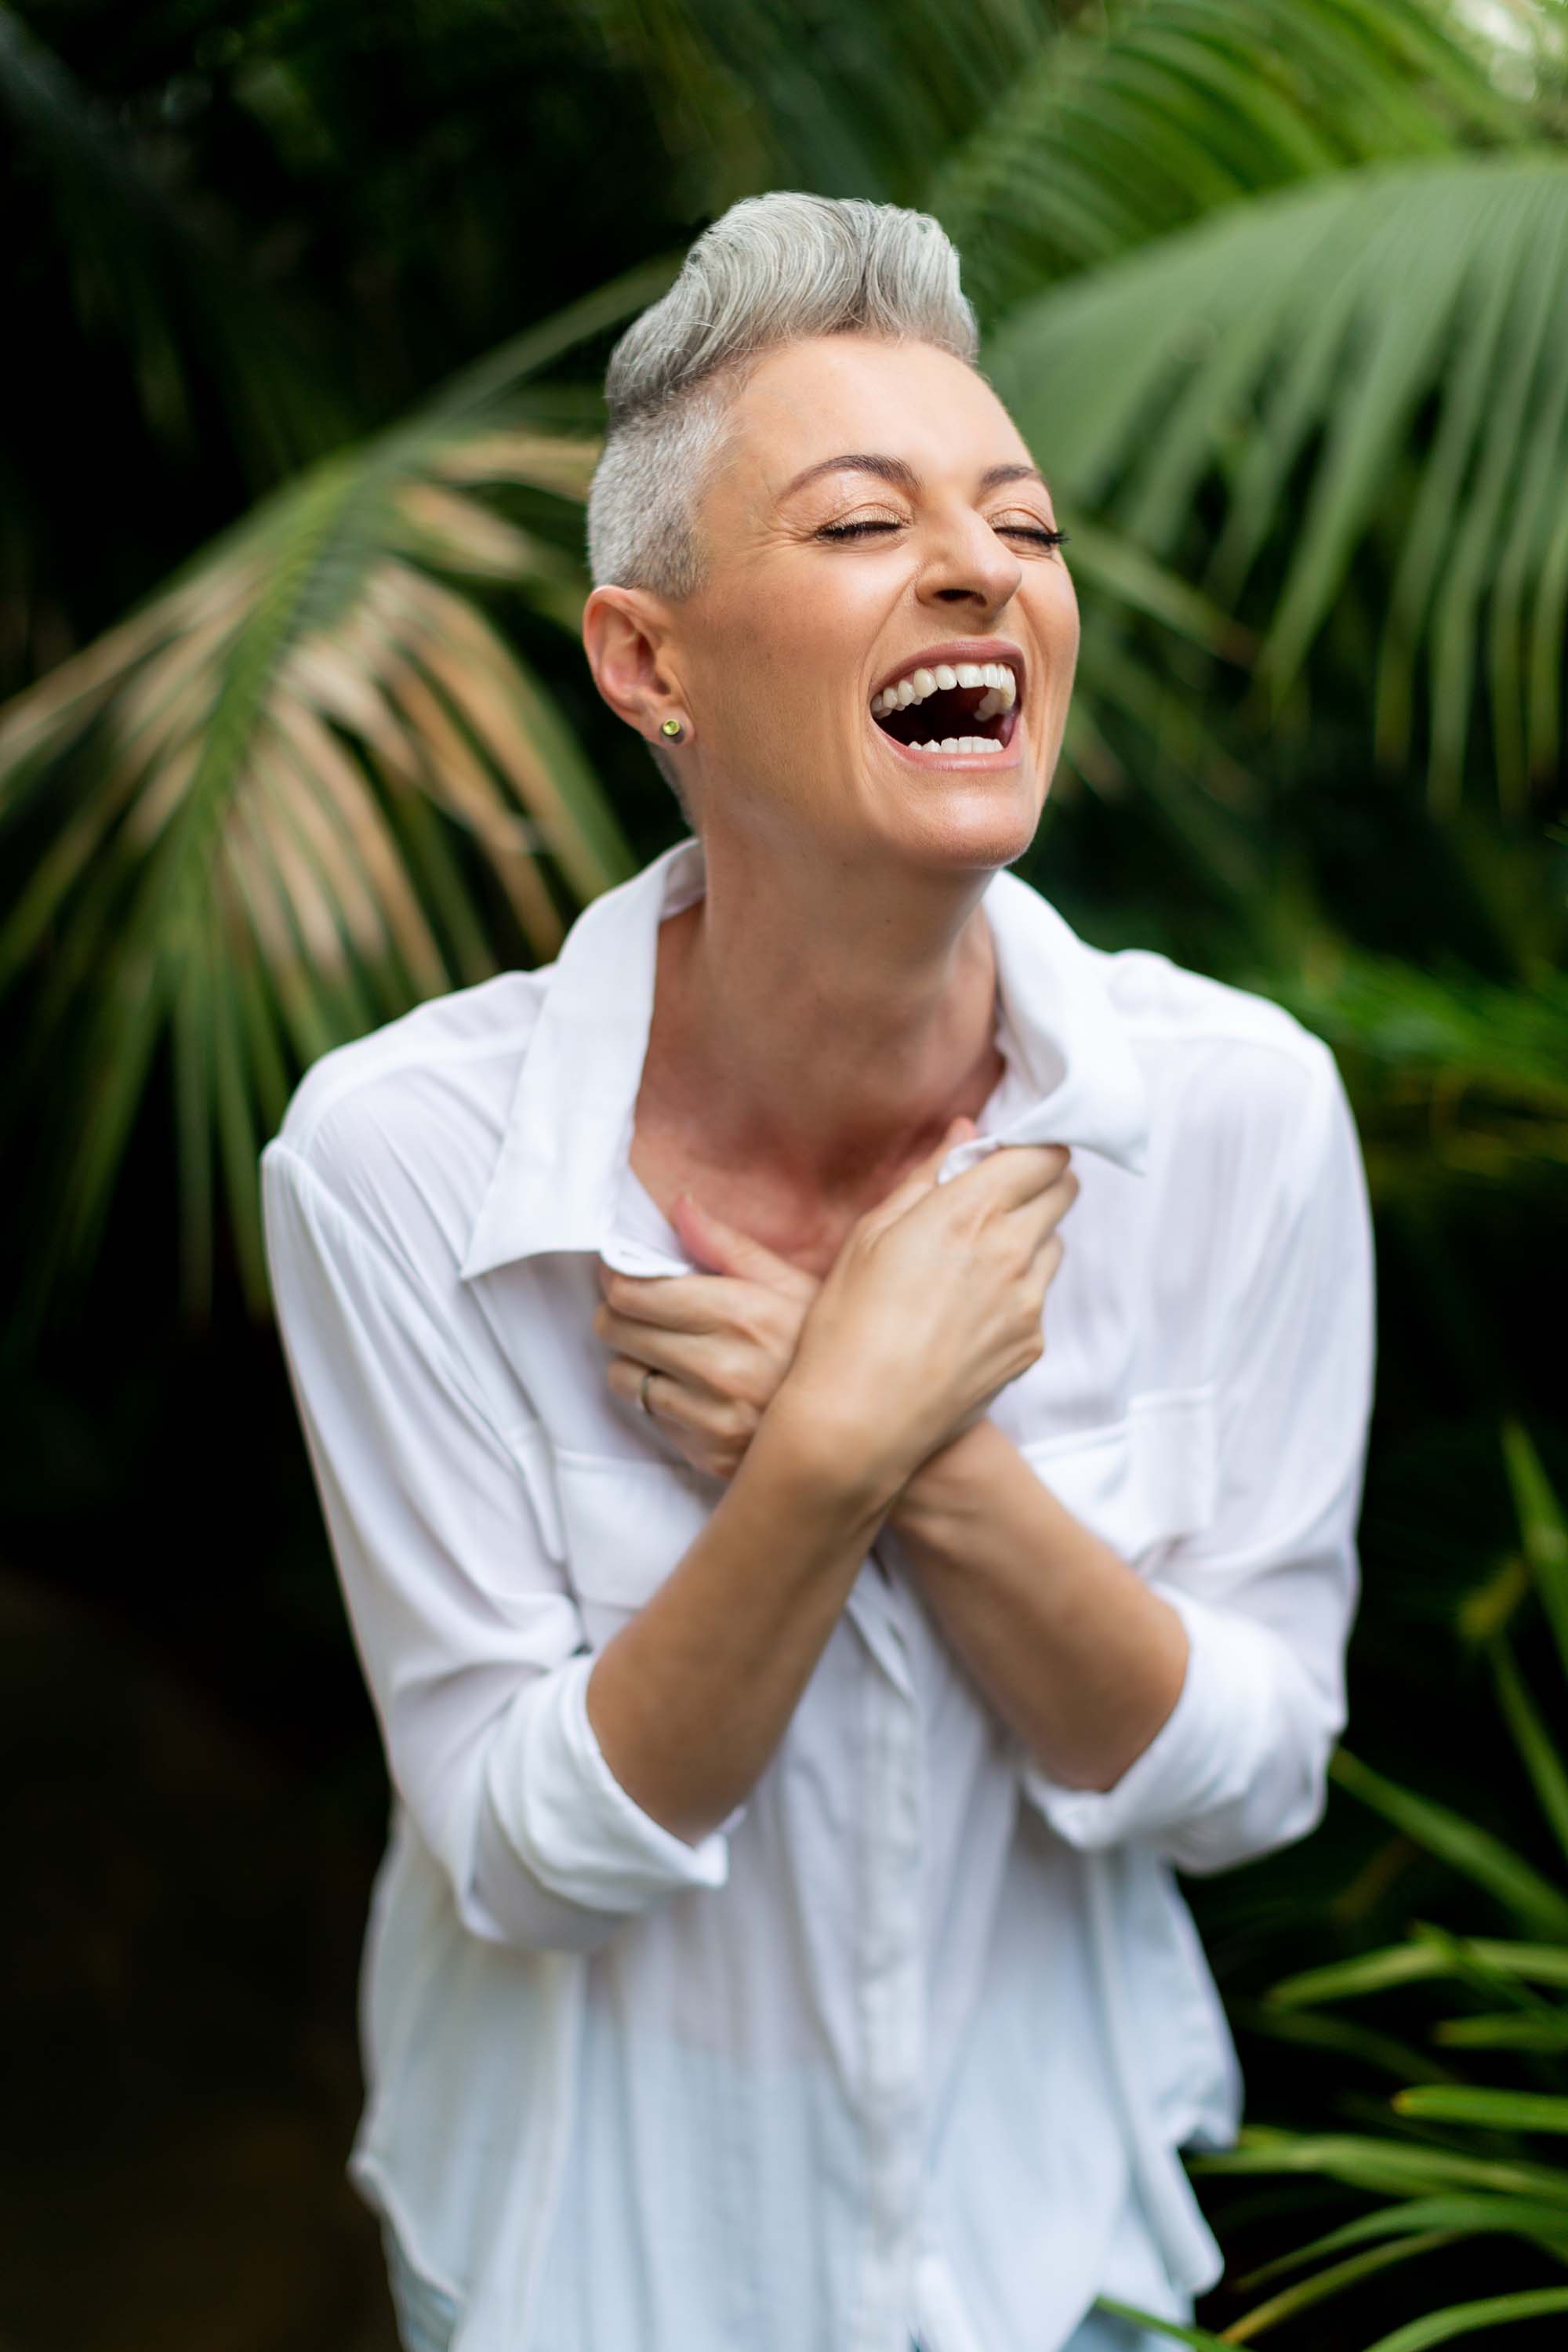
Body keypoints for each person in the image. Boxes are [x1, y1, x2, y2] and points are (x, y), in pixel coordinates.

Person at [261, 192, 1377, 2352]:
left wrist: (906, 1453)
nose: (981, 572)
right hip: (587, 2280)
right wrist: (822, 1463)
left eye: (1023, 530)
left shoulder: (1233, 1115)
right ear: (645, 659)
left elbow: (1254, 1776)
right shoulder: (405, 1165)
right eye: (865, 524)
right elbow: (522, 1854)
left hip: (1059, 2261)